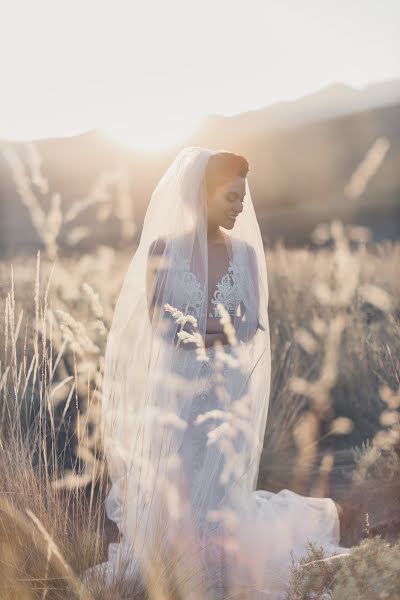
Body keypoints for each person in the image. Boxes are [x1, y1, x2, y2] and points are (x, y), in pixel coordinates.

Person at [85, 147, 349, 599]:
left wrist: (197, 327)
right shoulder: (162, 250)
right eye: (231, 197)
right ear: (202, 195)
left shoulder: (246, 254)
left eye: (243, 198)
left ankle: (221, 575)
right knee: (181, 489)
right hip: (178, 396)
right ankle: (180, 576)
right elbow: (161, 328)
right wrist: (218, 328)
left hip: (227, 395)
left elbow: (253, 323)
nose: (240, 206)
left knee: (222, 491)